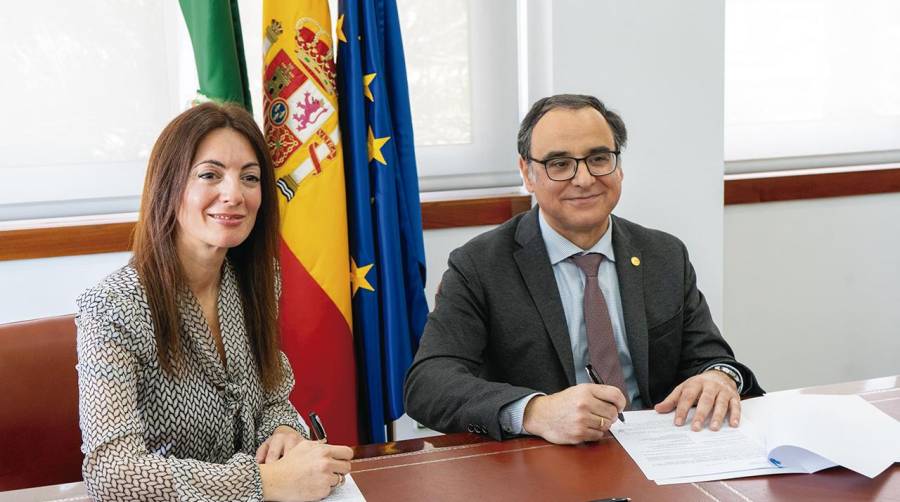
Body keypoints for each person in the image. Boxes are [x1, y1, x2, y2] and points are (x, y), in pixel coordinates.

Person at [404, 94, 764, 445]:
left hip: (659, 456)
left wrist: (720, 376)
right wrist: (535, 411)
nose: (584, 179)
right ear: (527, 173)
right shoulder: (480, 265)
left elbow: (711, 357)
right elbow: (429, 384)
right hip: (542, 464)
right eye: (559, 164)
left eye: (598, 158)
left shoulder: (663, 254)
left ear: (618, 165)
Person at [75, 102, 353, 501]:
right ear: (169, 186)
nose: (234, 194)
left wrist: (284, 433)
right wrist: (262, 484)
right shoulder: (112, 307)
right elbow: (111, 473)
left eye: (250, 178)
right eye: (210, 175)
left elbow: (273, 399)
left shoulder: (256, 283)